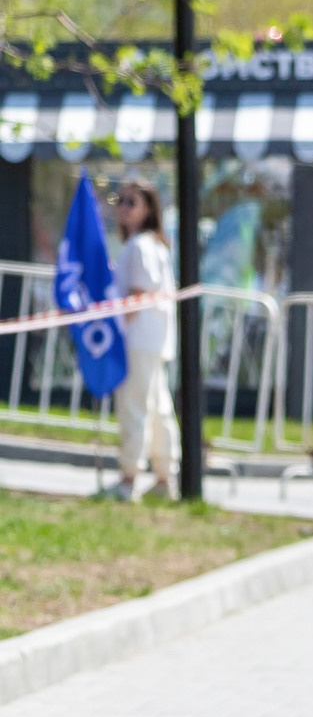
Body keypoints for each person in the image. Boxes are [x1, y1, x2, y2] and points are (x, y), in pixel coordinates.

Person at [106, 182, 176, 501]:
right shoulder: (152, 244)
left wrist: (118, 331)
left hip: (138, 339)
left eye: (131, 201)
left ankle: (128, 479)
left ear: (148, 207)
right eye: (119, 200)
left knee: (135, 407)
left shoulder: (141, 246)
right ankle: (164, 478)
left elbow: (138, 293)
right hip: (154, 338)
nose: (123, 206)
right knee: (158, 407)